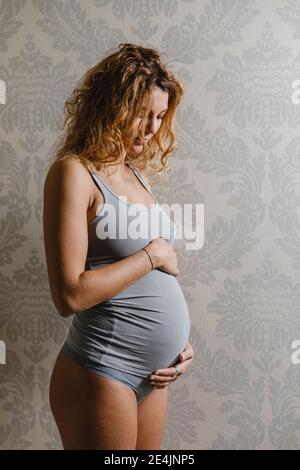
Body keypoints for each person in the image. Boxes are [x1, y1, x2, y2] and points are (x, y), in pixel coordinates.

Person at [43, 42, 194, 450]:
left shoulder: (136, 176)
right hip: (103, 368)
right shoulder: (73, 173)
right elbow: (69, 294)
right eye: (143, 114)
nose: (152, 128)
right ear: (111, 106)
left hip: (155, 377)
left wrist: (179, 344)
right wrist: (152, 256)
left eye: (160, 116)